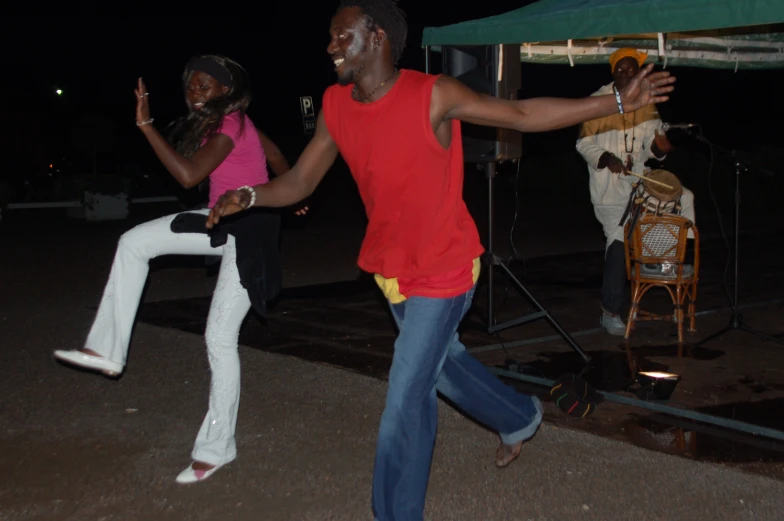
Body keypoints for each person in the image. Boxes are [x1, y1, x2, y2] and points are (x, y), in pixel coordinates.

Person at [206, 2, 676, 519]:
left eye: (342, 36)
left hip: (445, 266)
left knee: (406, 395)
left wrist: (612, 100)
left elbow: (521, 115)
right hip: (391, 271)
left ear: (377, 36)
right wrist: (249, 196)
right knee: (443, 367)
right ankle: (519, 417)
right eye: (331, 37)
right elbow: (299, 181)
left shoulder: (433, 95)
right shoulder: (336, 105)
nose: (331, 46)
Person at [53, 54, 297, 484]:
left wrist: (146, 126)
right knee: (133, 242)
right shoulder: (237, 122)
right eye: (190, 85)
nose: (195, 91)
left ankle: (218, 448)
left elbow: (187, 176)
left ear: (226, 90)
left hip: (251, 233)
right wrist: (293, 190)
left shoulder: (228, 126)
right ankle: (107, 349)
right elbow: (275, 153)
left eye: (206, 84)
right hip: (217, 218)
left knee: (219, 337)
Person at [576, 48, 695, 336]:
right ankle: (610, 311)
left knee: (684, 197)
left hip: (637, 179)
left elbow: (650, 148)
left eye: (631, 70)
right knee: (617, 243)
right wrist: (606, 158)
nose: (626, 74)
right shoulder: (599, 101)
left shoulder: (646, 103)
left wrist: (659, 149)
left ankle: (669, 262)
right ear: (613, 72)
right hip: (609, 188)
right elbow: (583, 143)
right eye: (621, 70)